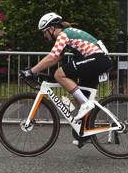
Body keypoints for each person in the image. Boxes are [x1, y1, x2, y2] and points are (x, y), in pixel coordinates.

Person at [22, 12, 113, 146]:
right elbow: (56, 58)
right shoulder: (66, 35)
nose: (44, 35)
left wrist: (30, 71)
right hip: (98, 60)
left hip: (97, 59)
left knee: (59, 74)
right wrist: (36, 69)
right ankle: (85, 132)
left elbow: (51, 57)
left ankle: (86, 106)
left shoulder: (63, 35)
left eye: (44, 32)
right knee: (80, 96)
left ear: (51, 28)